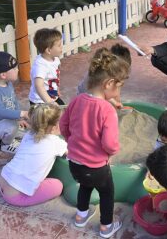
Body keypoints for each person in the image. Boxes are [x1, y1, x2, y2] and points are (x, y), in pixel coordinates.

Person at [59, 47, 130, 238]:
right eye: (119, 86)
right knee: (107, 193)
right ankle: (106, 227)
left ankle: (81, 217)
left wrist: (70, 141)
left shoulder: (77, 100)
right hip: (97, 167)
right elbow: (109, 143)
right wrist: (113, 150)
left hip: (75, 163)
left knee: (85, 186)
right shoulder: (107, 110)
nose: (119, 91)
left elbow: (63, 124)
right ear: (108, 84)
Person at [0, 103, 67, 207]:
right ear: (54, 128)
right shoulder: (56, 142)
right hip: (16, 197)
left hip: (3, 180)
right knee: (58, 186)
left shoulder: (28, 134)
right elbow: (74, 153)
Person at [77, 43, 131, 108]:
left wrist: (115, 102)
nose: (117, 92)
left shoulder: (98, 73)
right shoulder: (106, 111)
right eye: (119, 86)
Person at [29, 28, 65, 106]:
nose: (61, 47)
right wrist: (50, 102)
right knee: (48, 118)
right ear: (49, 50)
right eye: (59, 45)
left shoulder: (55, 59)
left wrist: (56, 89)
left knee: (65, 113)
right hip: (40, 101)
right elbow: (39, 86)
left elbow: (55, 76)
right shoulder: (40, 66)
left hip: (52, 96)